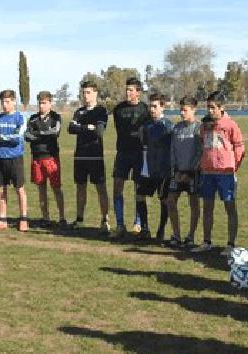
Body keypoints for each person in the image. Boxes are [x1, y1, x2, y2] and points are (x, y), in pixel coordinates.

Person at [191, 90, 245, 256]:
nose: (210, 110)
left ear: (222, 108)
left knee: (230, 207)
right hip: (207, 172)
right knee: (207, 207)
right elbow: (201, 145)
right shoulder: (204, 126)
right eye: (208, 107)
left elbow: (240, 147)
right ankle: (207, 242)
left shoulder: (230, 125)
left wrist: (233, 166)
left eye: (213, 107)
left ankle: (230, 244)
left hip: (225, 173)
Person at [68, 80, 110, 233]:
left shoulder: (101, 111)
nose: (85, 96)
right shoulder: (79, 112)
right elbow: (71, 128)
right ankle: (79, 219)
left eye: (88, 92)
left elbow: (99, 132)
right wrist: (87, 127)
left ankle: (105, 219)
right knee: (80, 188)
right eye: (83, 93)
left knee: (101, 188)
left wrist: (81, 128)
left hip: (95, 156)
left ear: (95, 93)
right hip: (80, 156)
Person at [111, 77, 150, 239]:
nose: (128, 93)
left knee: (138, 189)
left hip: (139, 154)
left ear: (138, 92)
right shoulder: (118, 109)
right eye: (127, 90)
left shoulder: (145, 109)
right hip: (122, 153)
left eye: (131, 90)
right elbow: (119, 130)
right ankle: (120, 224)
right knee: (117, 186)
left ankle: (138, 223)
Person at [135, 93, 174, 241]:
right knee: (139, 196)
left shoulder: (168, 126)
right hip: (147, 169)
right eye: (150, 106)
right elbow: (142, 144)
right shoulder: (146, 126)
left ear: (162, 107)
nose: (151, 109)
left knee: (164, 199)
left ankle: (161, 230)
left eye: (155, 106)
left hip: (163, 170)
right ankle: (144, 228)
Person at [0, 89, 29, 232]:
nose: (5, 105)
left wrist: (2, 138)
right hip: (0, 158)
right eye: (2, 102)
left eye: (7, 102)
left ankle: (23, 219)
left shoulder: (20, 118)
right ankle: (2, 219)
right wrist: (4, 138)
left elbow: (17, 138)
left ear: (14, 102)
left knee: (20, 189)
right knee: (1, 190)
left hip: (15, 158)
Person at [25, 91, 66, 228]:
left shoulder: (56, 117)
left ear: (50, 103)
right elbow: (26, 136)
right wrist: (42, 135)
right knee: (41, 189)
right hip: (36, 158)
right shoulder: (32, 118)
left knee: (56, 188)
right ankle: (45, 217)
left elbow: (55, 132)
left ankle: (62, 217)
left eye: (44, 103)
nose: (42, 106)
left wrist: (37, 134)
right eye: (40, 103)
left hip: (51, 157)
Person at [167, 95, 202, 250]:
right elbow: (173, 150)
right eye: (181, 110)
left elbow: (200, 153)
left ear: (193, 110)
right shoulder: (176, 128)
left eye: (185, 110)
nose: (182, 113)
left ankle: (191, 236)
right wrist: (175, 170)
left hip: (193, 173)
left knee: (193, 204)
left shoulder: (199, 128)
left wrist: (191, 171)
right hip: (177, 173)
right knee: (170, 201)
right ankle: (176, 235)